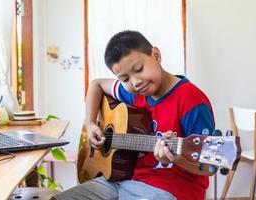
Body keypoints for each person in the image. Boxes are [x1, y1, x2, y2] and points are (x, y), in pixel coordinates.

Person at [52, 30, 215, 200]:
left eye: (139, 69)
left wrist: (177, 158)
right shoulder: (135, 94)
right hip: (123, 180)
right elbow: (96, 85)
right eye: (124, 79)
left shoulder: (191, 99)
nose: (136, 82)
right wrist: (91, 124)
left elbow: (208, 166)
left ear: (156, 55)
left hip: (173, 189)